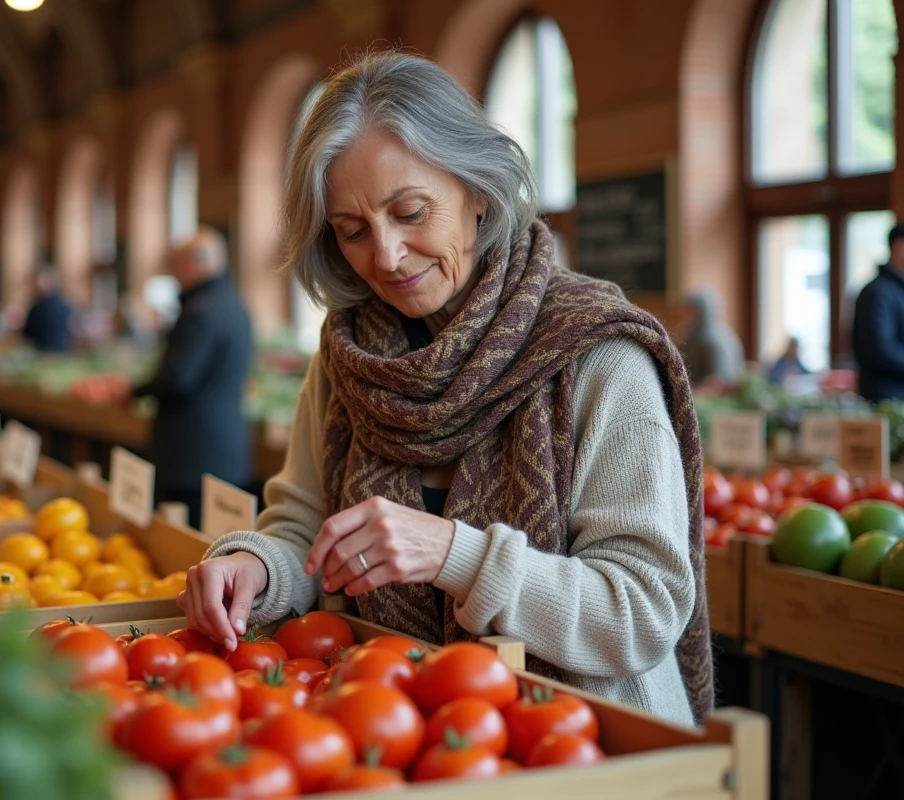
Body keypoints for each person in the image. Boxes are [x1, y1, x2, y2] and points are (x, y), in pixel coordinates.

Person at [180, 53, 710, 726]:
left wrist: (455, 553)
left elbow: (641, 612)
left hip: (584, 744)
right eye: (351, 231)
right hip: (401, 738)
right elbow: (304, 528)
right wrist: (256, 566)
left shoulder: (599, 356)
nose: (386, 255)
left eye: (411, 212)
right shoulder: (348, 360)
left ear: (478, 190)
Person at [123, 228, 253, 528]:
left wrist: (135, 391)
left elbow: (176, 378)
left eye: (176, 265)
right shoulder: (235, 305)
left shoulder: (199, 311)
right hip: (227, 449)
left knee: (186, 547)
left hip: (190, 454)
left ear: (191, 265)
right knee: (220, 545)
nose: (174, 274)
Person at [852, 224, 904, 401]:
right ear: (898, 247)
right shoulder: (878, 293)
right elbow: (881, 351)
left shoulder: (896, 290)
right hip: (887, 400)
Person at [677, 291, 745, 388]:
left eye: (689, 311)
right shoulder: (694, 336)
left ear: (701, 312)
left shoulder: (711, 343)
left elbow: (717, 383)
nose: (684, 316)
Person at [22, 264, 74, 353]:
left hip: (42, 354)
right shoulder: (65, 305)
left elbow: (27, 334)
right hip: (61, 353)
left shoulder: (37, 309)